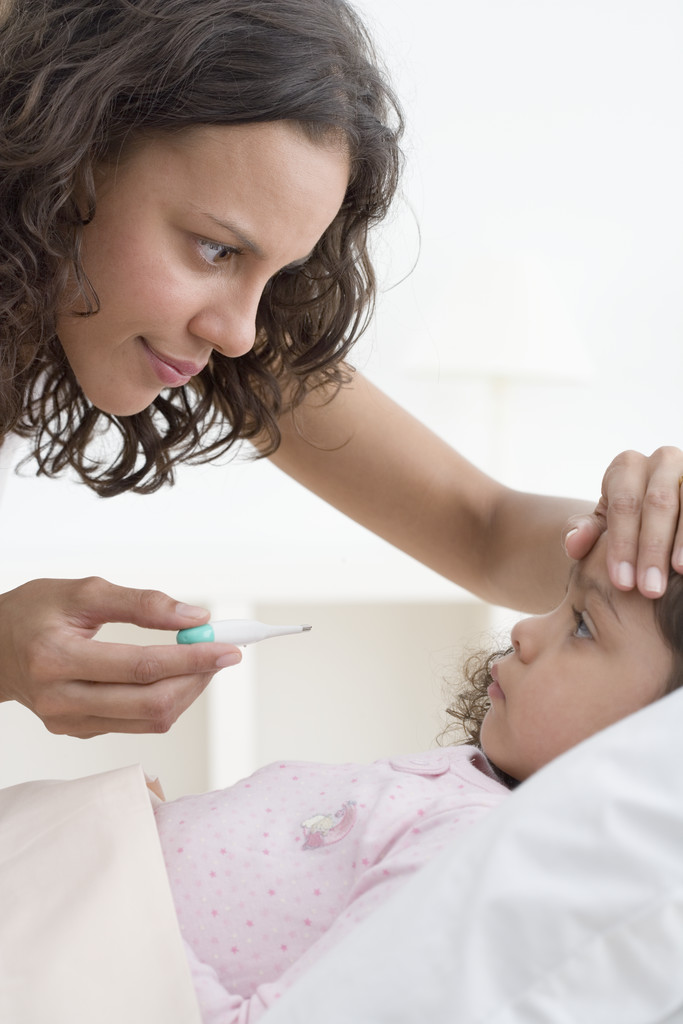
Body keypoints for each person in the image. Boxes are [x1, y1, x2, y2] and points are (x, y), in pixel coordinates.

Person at [1, 0, 682, 740]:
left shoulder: (211, 323)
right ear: (63, 157)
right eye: (214, 249)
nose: (236, 335)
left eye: (277, 273)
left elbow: (478, 529)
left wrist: (645, 538)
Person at [151, 530, 683, 1021]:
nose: (523, 628)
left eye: (584, 625)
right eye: (562, 602)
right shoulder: (455, 784)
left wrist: (127, 876)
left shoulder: (467, 848)